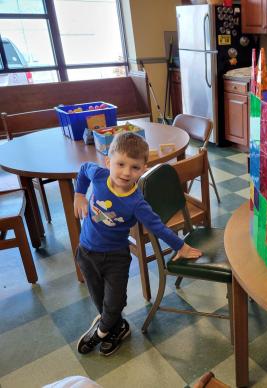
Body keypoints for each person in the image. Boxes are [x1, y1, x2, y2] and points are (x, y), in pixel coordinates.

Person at [73, 131, 202, 357]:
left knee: (114, 301)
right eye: (120, 164)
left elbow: (159, 227)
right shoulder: (99, 175)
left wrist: (180, 246)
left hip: (116, 258)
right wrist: (79, 194)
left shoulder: (136, 203)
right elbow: (84, 168)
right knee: (99, 297)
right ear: (108, 162)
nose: (126, 172)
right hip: (86, 252)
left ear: (143, 169)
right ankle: (116, 327)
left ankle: (101, 332)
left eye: (134, 167)